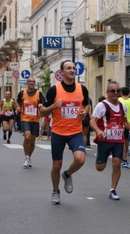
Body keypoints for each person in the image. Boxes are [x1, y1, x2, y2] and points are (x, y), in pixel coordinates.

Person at [40, 60, 89, 205]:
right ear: (61, 72)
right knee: (56, 165)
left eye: (73, 68)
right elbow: (42, 111)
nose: (72, 70)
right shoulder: (54, 90)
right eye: (69, 68)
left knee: (80, 159)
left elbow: (87, 104)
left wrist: (84, 112)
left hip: (75, 132)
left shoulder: (82, 89)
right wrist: (54, 106)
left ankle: (67, 175)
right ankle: (55, 191)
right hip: (58, 132)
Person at [90, 81, 130, 200]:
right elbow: (92, 121)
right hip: (105, 140)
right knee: (100, 168)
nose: (116, 93)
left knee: (117, 164)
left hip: (118, 140)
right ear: (107, 92)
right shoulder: (102, 105)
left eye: (118, 90)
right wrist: (98, 131)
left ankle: (113, 190)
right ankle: (105, 155)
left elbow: (124, 121)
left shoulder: (122, 105)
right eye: (113, 91)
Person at [17, 78, 45, 168]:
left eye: (33, 82)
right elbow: (18, 103)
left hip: (35, 119)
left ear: (35, 84)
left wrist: (41, 105)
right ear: (27, 83)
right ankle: (26, 157)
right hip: (25, 118)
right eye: (30, 81)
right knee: (27, 137)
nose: (31, 83)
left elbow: (44, 103)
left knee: (32, 141)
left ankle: (29, 157)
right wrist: (18, 108)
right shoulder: (22, 93)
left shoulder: (39, 94)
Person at [118, 87, 130, 167]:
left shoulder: (118, 100)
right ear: (129, 93)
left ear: (121, 93)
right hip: (128, 123)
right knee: (125, 141)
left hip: (120, 123)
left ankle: (123, 158)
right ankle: (124, 156)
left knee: (122, 142)